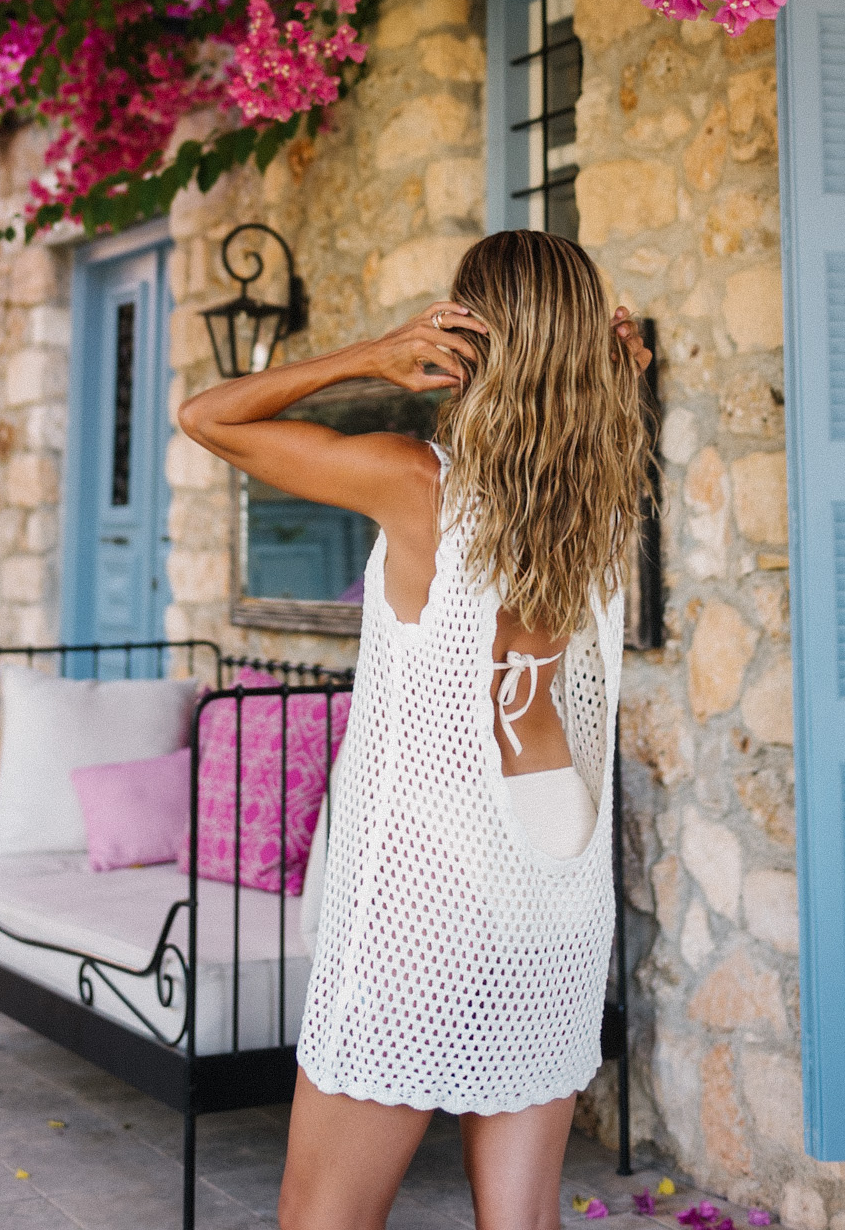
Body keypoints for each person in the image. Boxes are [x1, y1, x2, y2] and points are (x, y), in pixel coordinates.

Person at [179, 228, 650, 1230]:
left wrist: (369, 355)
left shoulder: (418, 484)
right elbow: (582, 414)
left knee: (323, 1215)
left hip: (434, 882)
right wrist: (608, 376)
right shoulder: (602, 497)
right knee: (520, 1219)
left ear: (471, 339)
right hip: (560, 877)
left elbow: (207, 417)